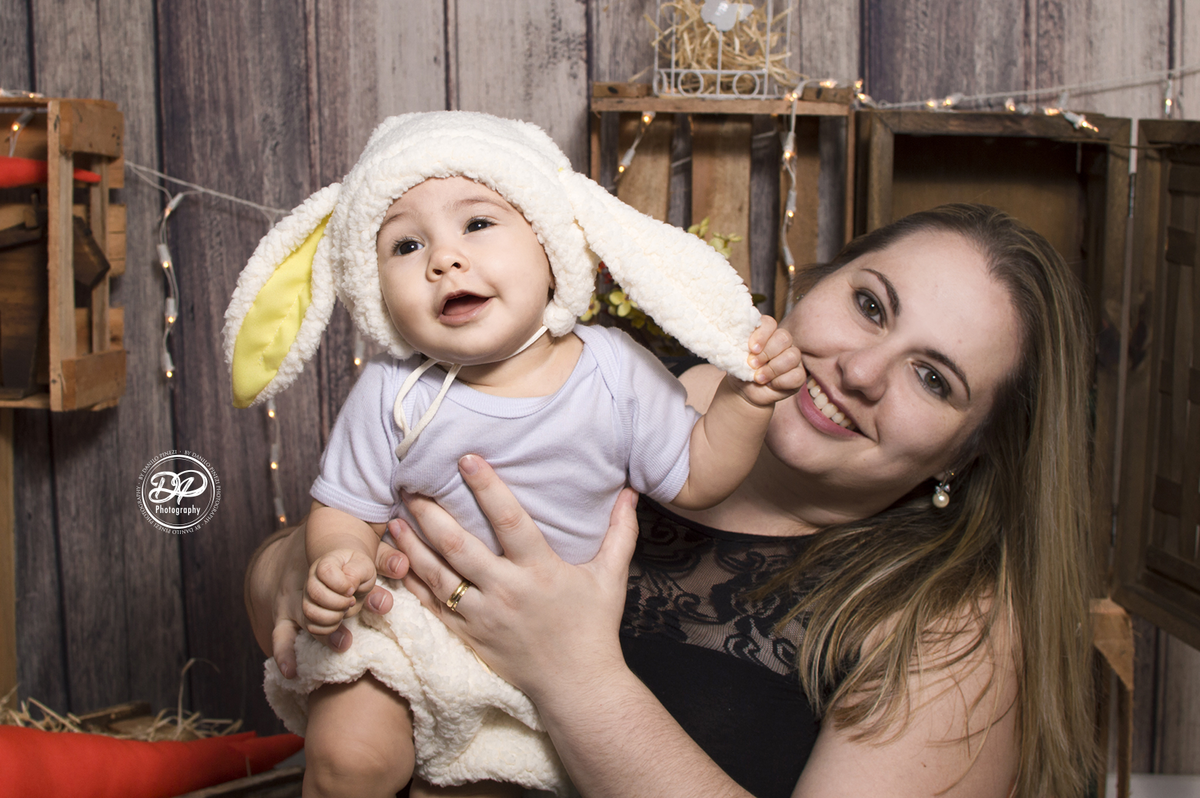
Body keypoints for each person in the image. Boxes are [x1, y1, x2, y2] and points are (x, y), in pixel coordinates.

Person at [247, 203, 1098, 798]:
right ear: (816, 280)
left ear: (969, 452)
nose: (861, 371)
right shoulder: (621, 385)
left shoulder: (951, 624)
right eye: (869, 305)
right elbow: (295, 580)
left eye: (933, 378)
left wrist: (576, 679)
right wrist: (302, 571)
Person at [225, 111, 803, 798]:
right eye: (406, 245)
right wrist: (336, 557)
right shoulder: (392, 391)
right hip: (404, 623)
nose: (443, 259)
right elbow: (344, 507)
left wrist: (747, 400)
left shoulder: (614, 372)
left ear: (553, 246)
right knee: (352, 759)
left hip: (536, 664)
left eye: (477, 223)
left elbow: (699, 473)